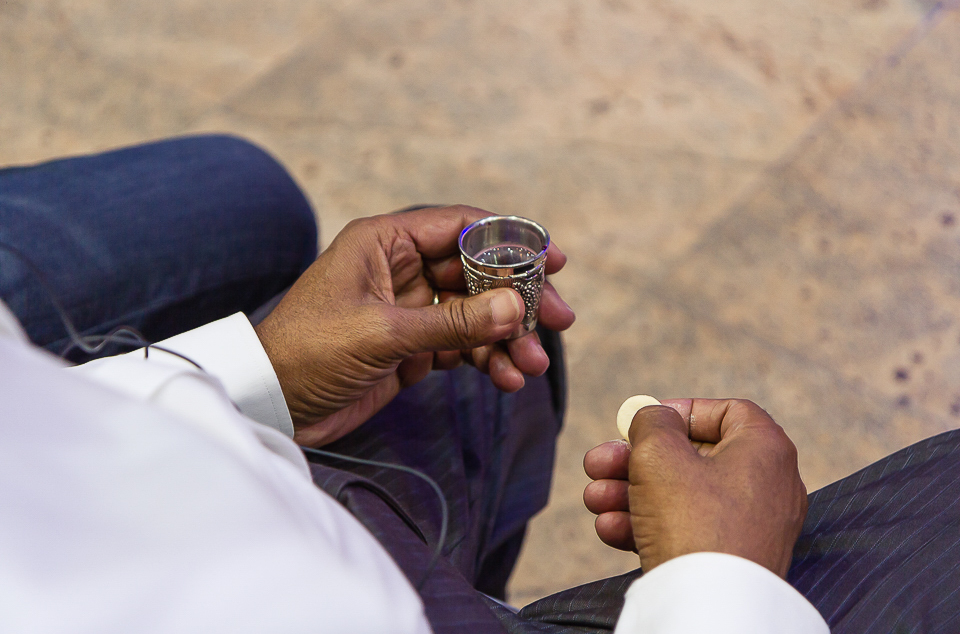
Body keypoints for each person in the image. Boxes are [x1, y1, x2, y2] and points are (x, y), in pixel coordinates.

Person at [0, 135, 957, 633]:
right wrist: (724, 582)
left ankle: (467, 568)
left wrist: (262, 373)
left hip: (168, 483)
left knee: (247, 196)